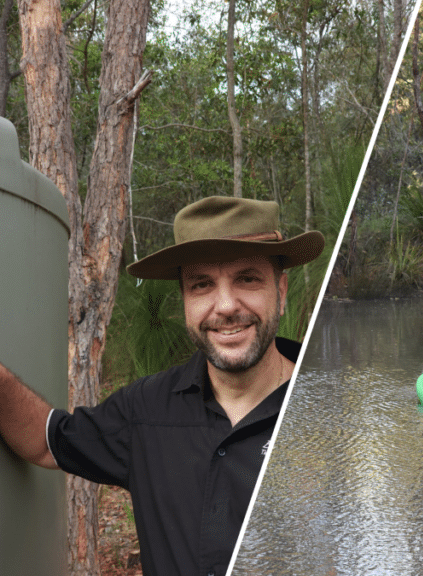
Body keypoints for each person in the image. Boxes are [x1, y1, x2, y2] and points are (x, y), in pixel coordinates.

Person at [0, 196, 324, 576]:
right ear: (185, 301)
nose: (225, 306)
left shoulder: (331, 410)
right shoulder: (145, 409)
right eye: (202, 284)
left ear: (280, 292)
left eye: (247, 279)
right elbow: (47, 442)